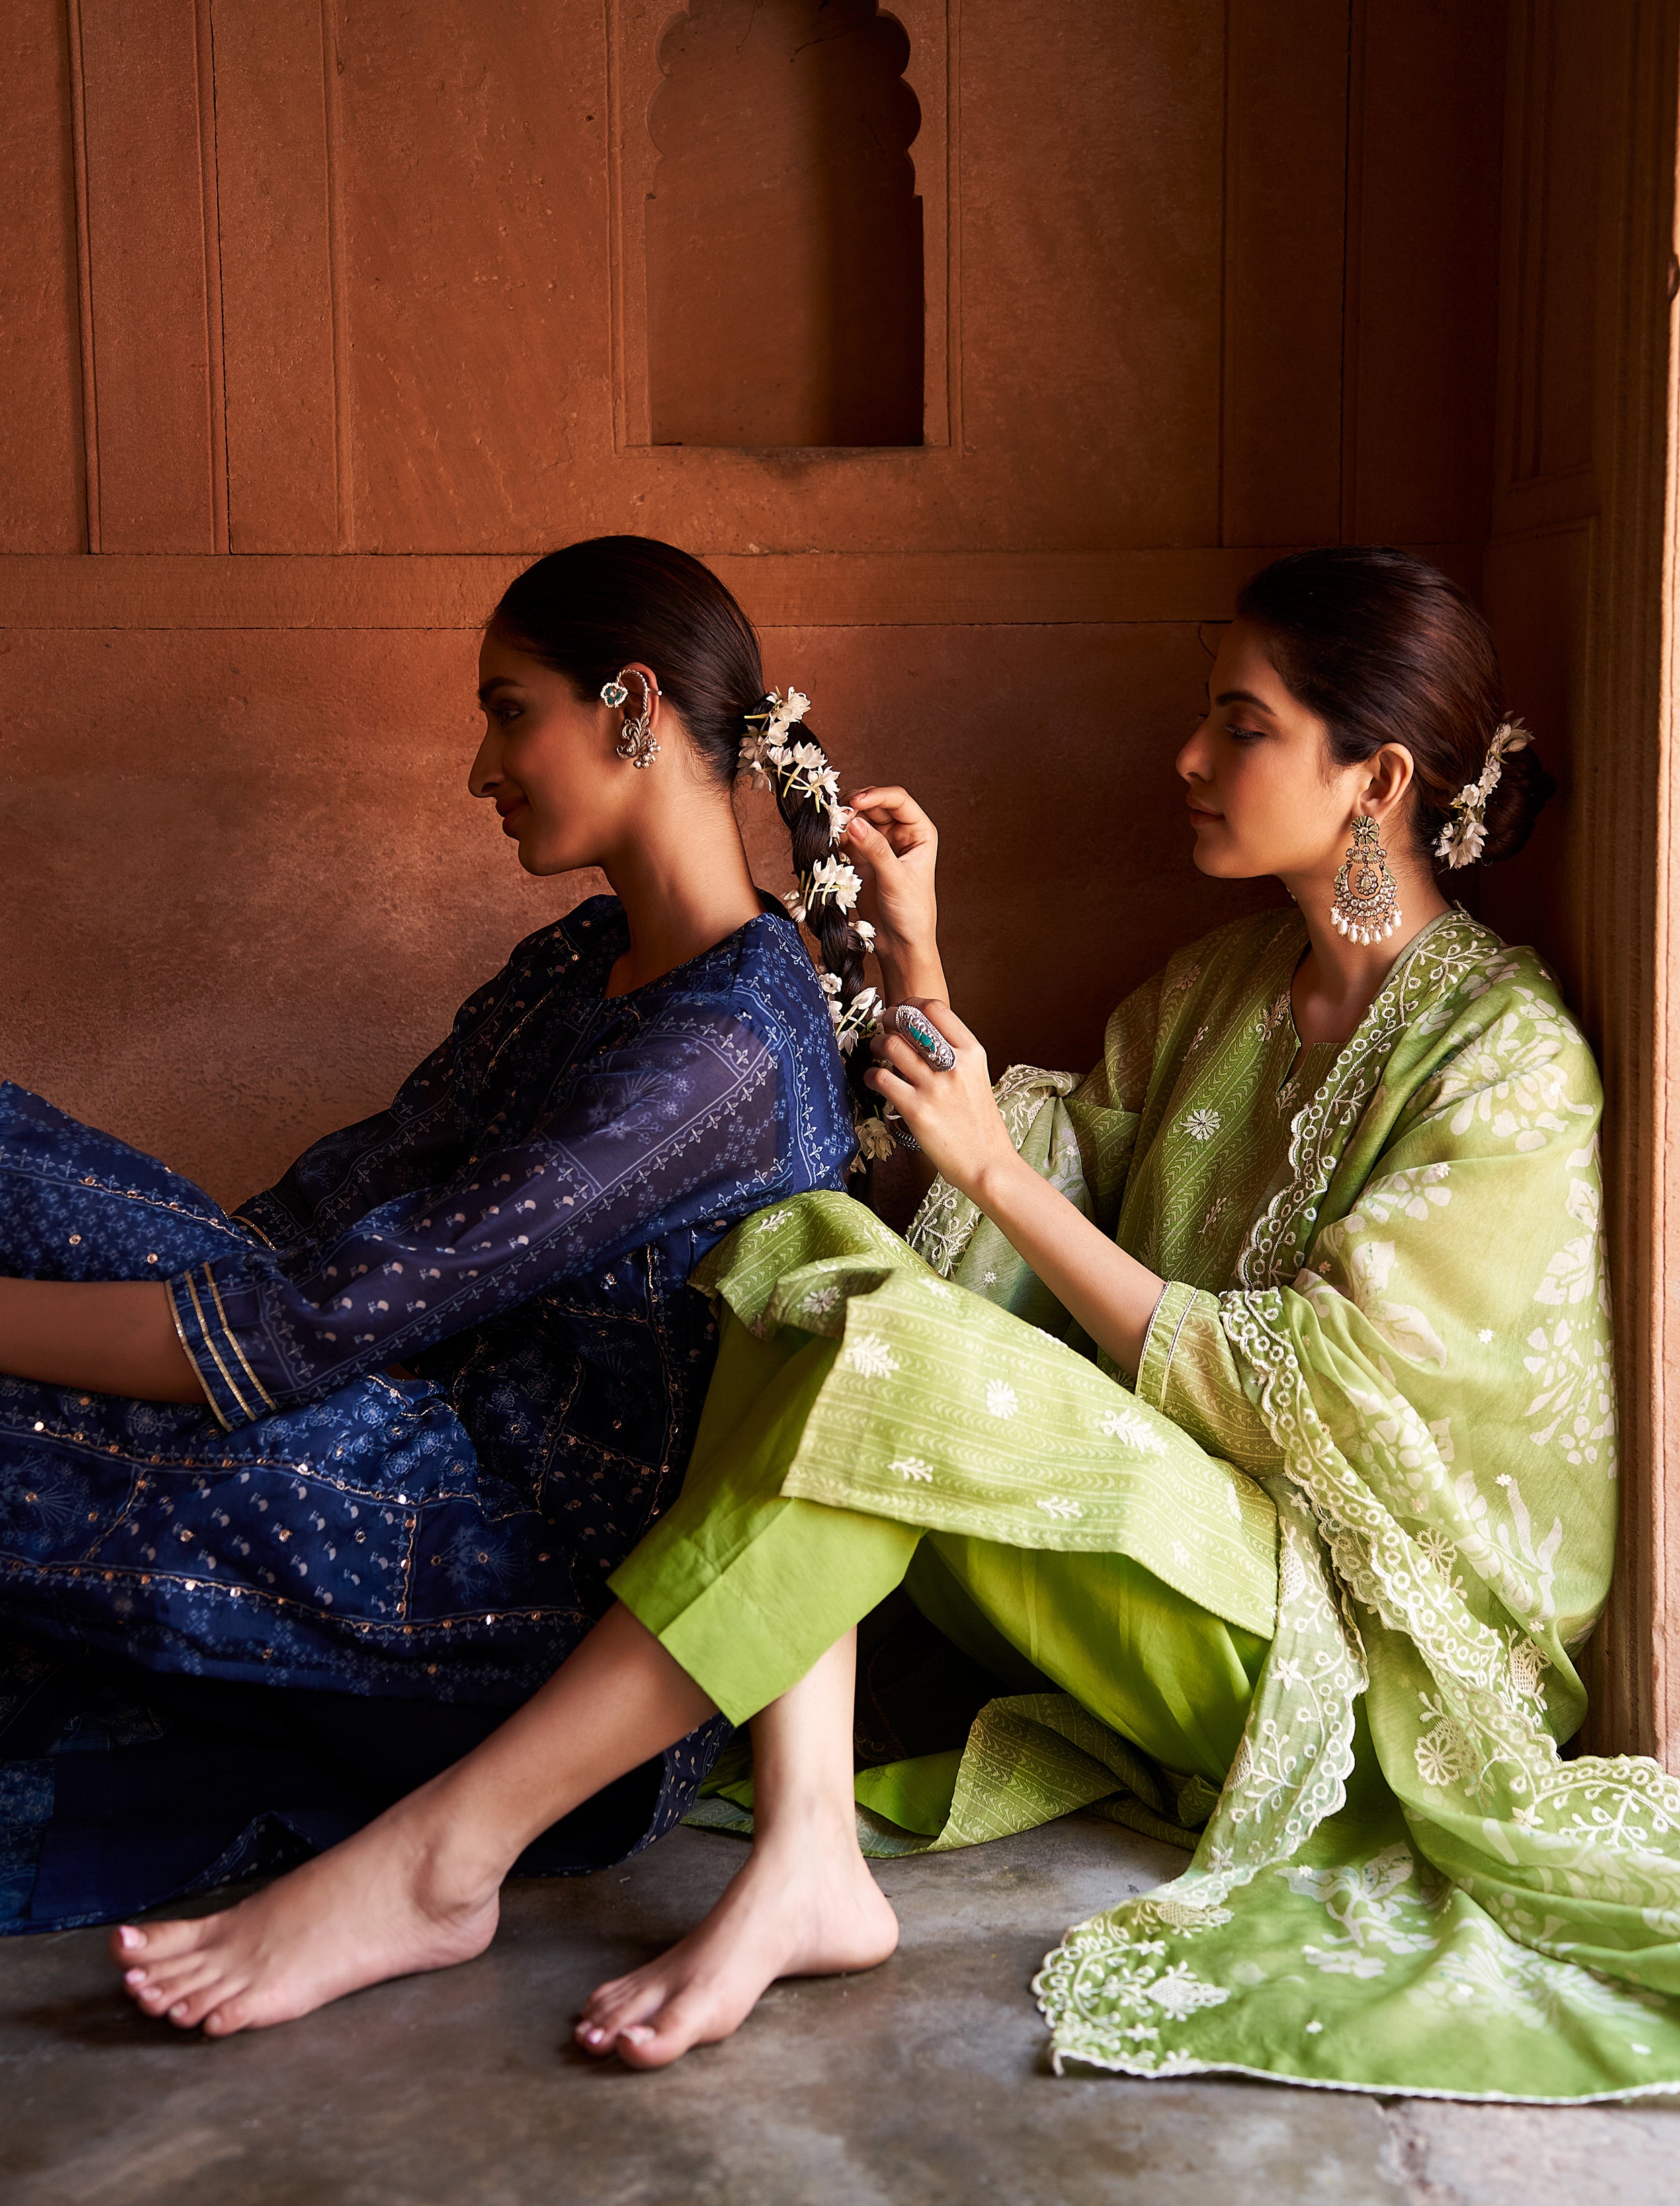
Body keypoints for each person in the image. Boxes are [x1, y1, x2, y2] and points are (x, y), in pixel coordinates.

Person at [109, 548, 1680, 2105]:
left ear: (1374, 780)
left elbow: (1324, 1393)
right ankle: (803, 1858)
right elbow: (1040, 1196)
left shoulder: (1504, 1056)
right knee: (809, 1245)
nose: (1187, 759)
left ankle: (451, 1850)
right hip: (1162, 1562)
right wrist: (919, 967)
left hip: (1337, 1652)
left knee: (898, 1344)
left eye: (1241, 725)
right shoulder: (1218, 991)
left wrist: (998, 1173)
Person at [0, 537, 867, 1932]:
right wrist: (111, 1259)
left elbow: (291, 1333)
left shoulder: (724, 1052)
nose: (479, 767)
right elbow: (314, 1228)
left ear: (630, 707)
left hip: (523, 1602)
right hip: (391, 1420)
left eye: (508, 708)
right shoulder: (579, 963)